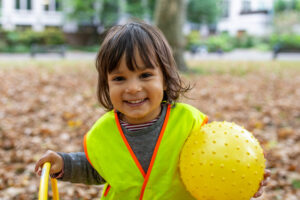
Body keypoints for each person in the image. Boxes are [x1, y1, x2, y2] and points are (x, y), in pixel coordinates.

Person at [35, 21, 269, 200]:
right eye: (119, 78)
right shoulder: (104, 132)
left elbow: (213, 163)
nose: (133, 88)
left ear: (165, 79)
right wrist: (64, 164)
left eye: (145, 75)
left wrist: (242, 180)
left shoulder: (188, 123)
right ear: (106, 85)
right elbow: (99, 168)